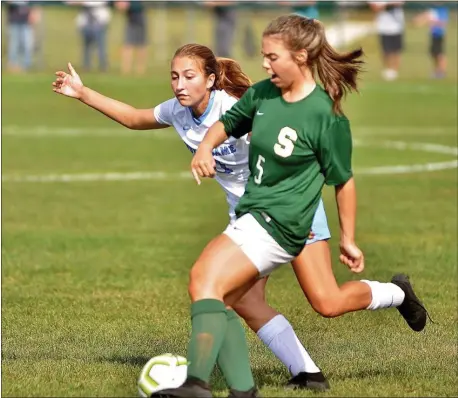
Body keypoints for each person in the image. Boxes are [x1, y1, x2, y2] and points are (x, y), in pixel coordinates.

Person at [155, 14, 429, 397]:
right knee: (305, 302)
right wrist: (204, 146)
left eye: (272, 56)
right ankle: (293, 374)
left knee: (209, 283)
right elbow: (227, 123)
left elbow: (343, 181)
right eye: (264, 55)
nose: (264, 64)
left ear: (300, 57)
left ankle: (200, 384)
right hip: (255, 214)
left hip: (285, 219)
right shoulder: (263, 93)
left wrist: (348, 238)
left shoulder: (325, 115)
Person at [51, 44, 333, 392]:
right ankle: (296, 377)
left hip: (287, 210)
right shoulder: (178, 111)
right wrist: (82, 93)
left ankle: (394, 294)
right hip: (249, 219)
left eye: (189, 76)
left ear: (211, 80)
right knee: (230, 297)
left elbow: (278, 144)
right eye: (174, 77)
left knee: (326, 301)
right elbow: (134, 118)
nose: (179, 85)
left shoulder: (233, 109)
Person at [66, 1, 111, 72]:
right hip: (85, 20)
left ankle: (103, 66)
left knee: (100, 45)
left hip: (99, 20)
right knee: (86, 46)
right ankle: (86, 66)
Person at [369, 1, 405, 81]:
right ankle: (388, 69)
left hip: (397, 28)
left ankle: (395, 71)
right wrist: (387, 5)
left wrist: (388, 5)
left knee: (397, 50)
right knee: (385, 51)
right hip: (384, 28)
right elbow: (375, 8)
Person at [414, 2, 449, 79]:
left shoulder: (442, 10)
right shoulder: (433, 10)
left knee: (439, 54)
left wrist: (431, 21)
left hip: (439, 35)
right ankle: (437, 70)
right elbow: (421, 19)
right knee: (434, 54)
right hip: (433, 35)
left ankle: (441, 71)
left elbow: (443, 23)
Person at [5, 0, 40, 72]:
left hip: (26, 21)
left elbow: (34, 4)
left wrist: (34, 13)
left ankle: (26, 66)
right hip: (14, 20)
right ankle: (13, 65)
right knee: (14, 44)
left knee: (27, 44)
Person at [116, 1, 148, 75]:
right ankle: (126, 69)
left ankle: (140, 70)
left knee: (141, 45)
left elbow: (140, 4)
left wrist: (128, 5)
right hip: (130, 18)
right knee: (127, 44)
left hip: (140, 18)